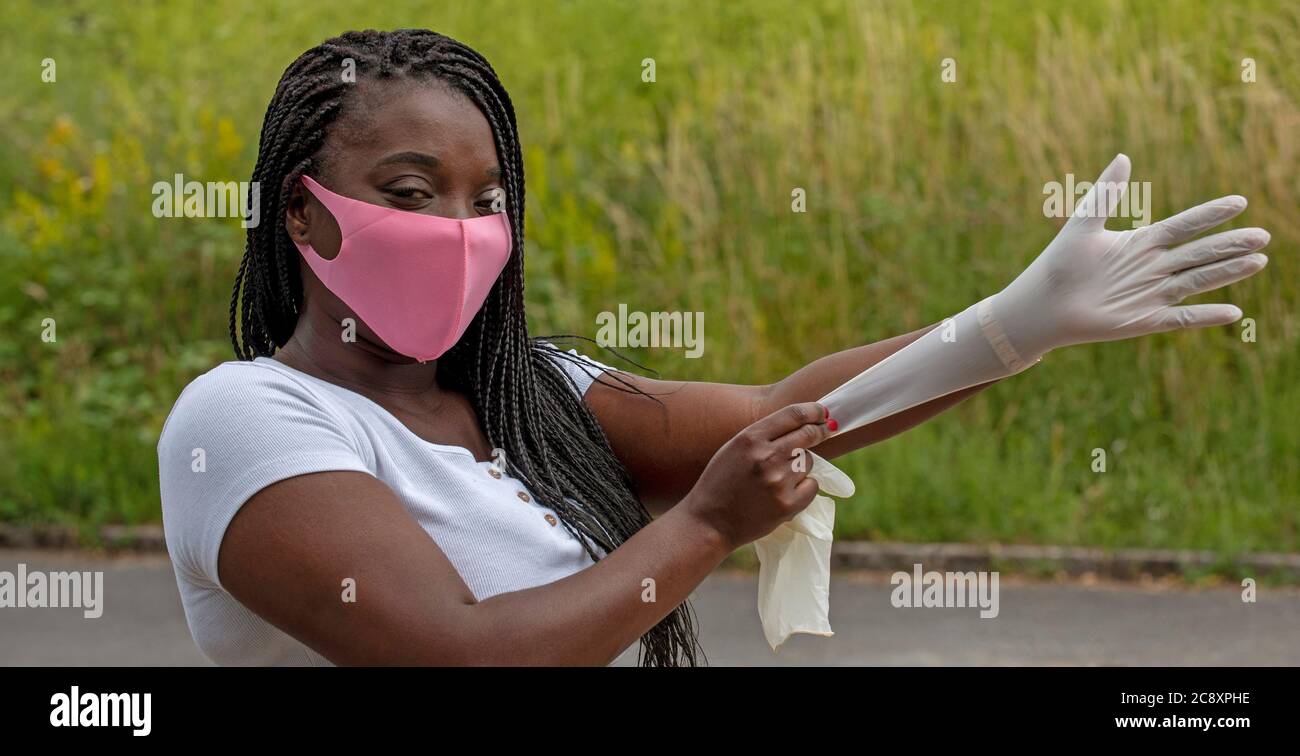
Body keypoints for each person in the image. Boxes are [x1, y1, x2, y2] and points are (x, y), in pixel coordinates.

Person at [157, 29, 1271, 666]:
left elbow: (773, 415)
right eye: (411, 193)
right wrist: (701, 527)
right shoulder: (248, 418)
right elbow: (460, 654)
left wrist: (1007, 327)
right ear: (299, 217)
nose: (456, 231)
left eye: (484, 198)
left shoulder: (534, 395)